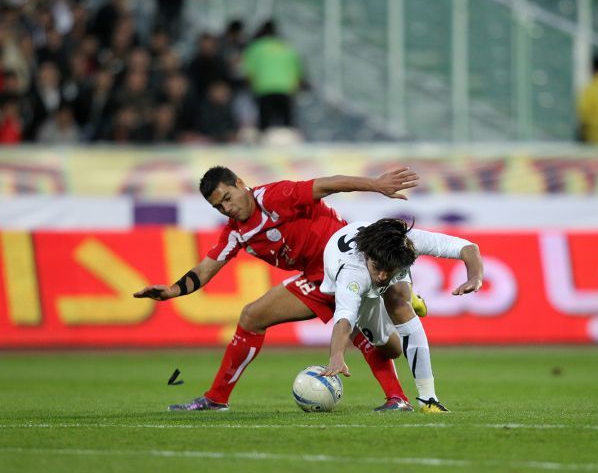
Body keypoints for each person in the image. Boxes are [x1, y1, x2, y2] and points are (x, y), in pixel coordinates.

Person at [133, 166, 427, 411]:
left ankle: (398, 391)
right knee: (252, 316)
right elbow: (205, 270)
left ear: (240, 184)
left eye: (227, 198)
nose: (227, 208)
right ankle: (216, 398)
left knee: (378, 340)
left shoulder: (274, 197)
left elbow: (328, 184)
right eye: (218, 206)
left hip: (348, 265)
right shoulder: (236, 232)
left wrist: (376, 185)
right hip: (316, 278)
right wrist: (173, 291)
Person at [320, 218, 484, 413]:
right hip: (359, 284)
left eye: (388, 271)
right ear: (367, 256)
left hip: (390, 269)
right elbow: (344, 319)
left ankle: (429, 399)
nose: (382, 276)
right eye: (377, 268)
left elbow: (468, 248)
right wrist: (337, 354)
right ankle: (408, 294)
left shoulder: (408, 242)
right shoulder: (351, 274)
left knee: (399, 303)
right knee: (391, 350)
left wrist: (475, 277)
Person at [241, 19, 305, 134]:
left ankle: (264, 141)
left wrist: (251, 87)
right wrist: (294, 87)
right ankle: (288, 141)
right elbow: (297, 70)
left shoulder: (255, 47)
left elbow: (249, 71)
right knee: (287, 123)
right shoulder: (286, 47)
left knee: (265, 123)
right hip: (285, 88)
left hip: (263, 88)